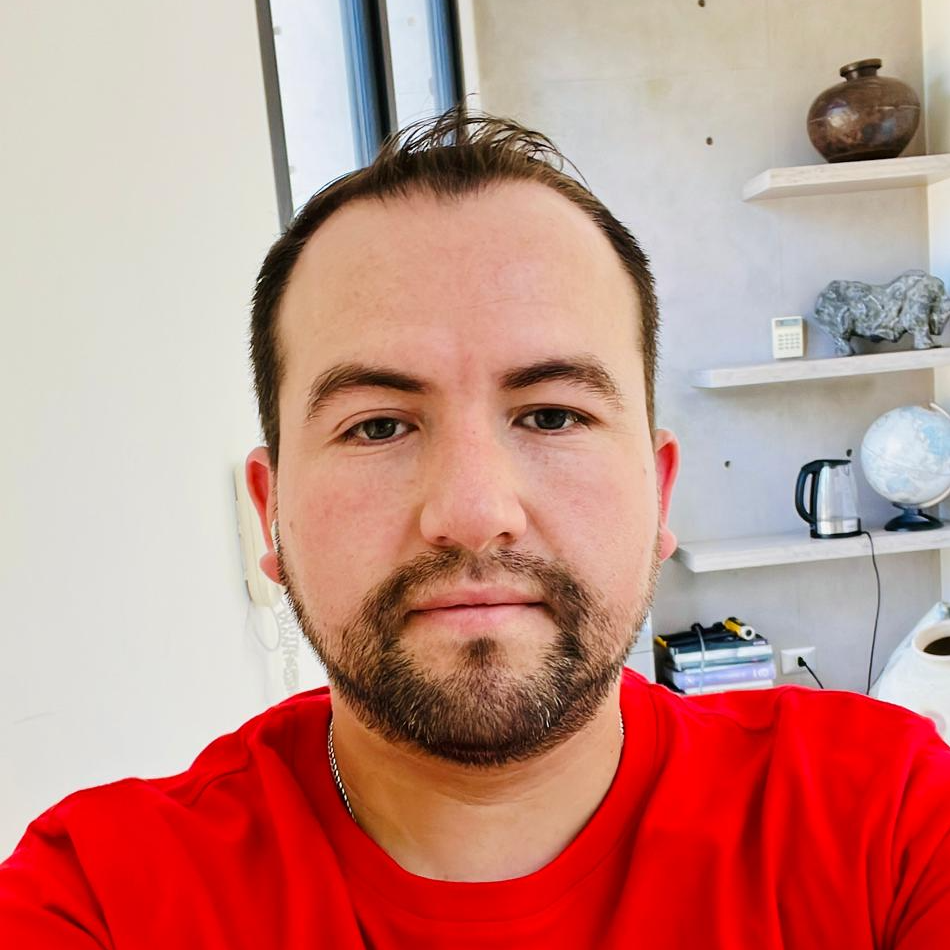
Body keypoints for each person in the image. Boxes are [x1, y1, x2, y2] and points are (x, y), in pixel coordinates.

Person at [1, 105, 948, 949]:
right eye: (378, 426)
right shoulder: (102, 900)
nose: (473, 513)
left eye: (552, 415)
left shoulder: (888, 821)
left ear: (659, 495)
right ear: (270, 511)